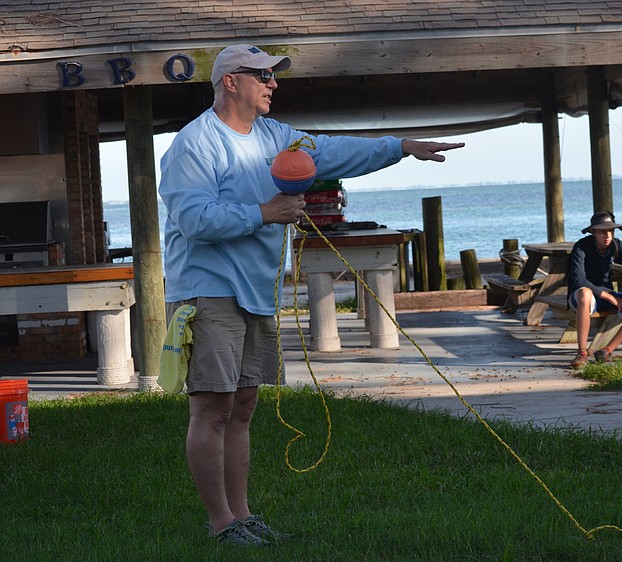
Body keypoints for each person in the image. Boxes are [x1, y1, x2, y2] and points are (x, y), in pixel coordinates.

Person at [158, 44, 464, 547]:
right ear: (230, 81)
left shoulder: (276, 136)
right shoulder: (195, 144)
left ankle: (243, 516)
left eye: (274, 77)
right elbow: (193, 220)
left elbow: (330, 149)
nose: (273, 84)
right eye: (263, 75)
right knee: (211, 409)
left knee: (244, 406)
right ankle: (220, 525)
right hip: (208, 289)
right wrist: (265, 212)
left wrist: (401, 147)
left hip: (256, 291)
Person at [566, 210, 622, 368]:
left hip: (608, 297)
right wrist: (611, 298)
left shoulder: (616, 246)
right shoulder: (581, 247)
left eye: (610, 231)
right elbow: (578, 280)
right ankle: (582, 353)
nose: (607, 235)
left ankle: (606, 350)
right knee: (585, 293)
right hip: (581, 298)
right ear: (593, 232)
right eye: (602, 231)